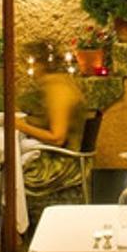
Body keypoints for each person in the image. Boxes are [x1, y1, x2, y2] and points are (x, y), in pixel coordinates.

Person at [17, 48, 88, 196]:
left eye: (32, 65)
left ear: (41, 65)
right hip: (57, 155)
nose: (30, 70)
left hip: (63, 163)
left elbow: (57, 138)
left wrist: (20, 126)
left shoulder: (58, 90)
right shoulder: (58, 84)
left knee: (3, 171)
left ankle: (9, 217)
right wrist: (28, 121)